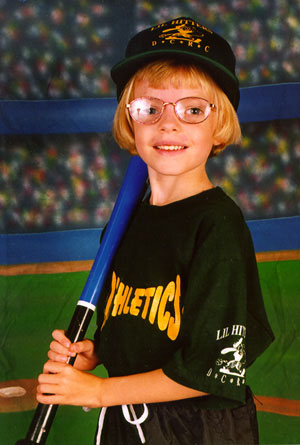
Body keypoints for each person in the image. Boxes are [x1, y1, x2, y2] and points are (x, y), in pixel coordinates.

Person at [37, 17, 274, 444]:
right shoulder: (126, 221)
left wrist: (102, 390)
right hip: (129, 420)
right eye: (150, 108)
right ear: (130, 121)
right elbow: (140, 322)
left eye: (193, 109)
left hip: (199, 431)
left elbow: (211, 372)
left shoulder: (217, 225)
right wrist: (98, 354)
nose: (169, 124)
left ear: (219, 123)